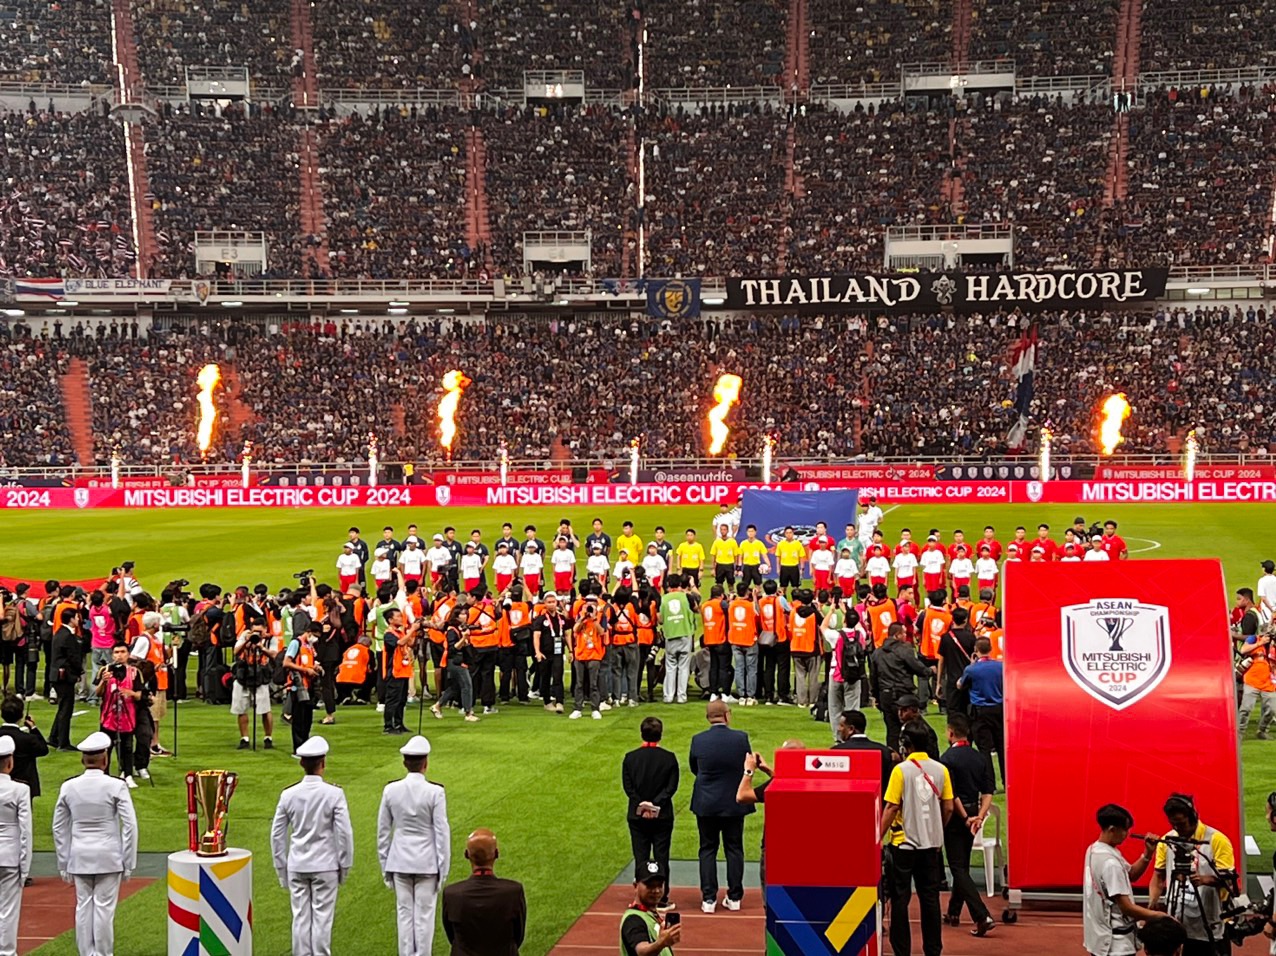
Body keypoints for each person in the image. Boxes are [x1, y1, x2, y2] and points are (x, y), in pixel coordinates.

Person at [52, 731, 139, 956]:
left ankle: (86, 953)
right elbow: (129, 825)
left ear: (83, 759)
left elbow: (59, 827)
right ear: (105, 759)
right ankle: (102, 953)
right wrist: (128, 860)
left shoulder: (68, 787)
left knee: (83, 907)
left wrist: (64, 861)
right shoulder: (116, 786)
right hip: (108, 856)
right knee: (104, 909)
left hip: (79, 856)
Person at [271, 736, 355, 956]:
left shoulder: (288, 794)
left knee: (300, 917)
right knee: (322, 918)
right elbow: (345, 833)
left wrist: (281, 867)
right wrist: (344, 865)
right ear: (323, 763)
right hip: (325, 864)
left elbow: (277, 835)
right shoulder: (334, 794)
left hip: (297, 864)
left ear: (301, 763)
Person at [880, 719, 953, 956]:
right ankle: (933, 950)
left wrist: (876, 836)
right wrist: (935, 827)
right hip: (931, 846)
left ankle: (902, 952)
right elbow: (949, 807)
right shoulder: (941, 770)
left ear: (905, 745)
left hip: (904, 844)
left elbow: (891, 808)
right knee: (930, 899)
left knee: (900, 899)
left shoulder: (900, 770)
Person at [377, 734, 450, 956]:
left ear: (404, 763)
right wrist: (443, 868)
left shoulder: (391, 790)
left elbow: (382, 832)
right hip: (427, 863)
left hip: (399, 862)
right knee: (425, 917)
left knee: (404, 915)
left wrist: (385, 866)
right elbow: (441, 832)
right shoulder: (435, 792)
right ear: (425, 763)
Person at [1148, 794, 1235, 956]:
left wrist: (1206, 880)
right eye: (1173, 823)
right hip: (1177, 924)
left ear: (1193, 816)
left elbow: (1229, 880)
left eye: (1180, 823)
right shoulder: (1168, 840)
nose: (1177, 828)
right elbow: (1158, 876)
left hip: (1209, 926)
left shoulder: (1217, 840)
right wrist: (1153, 901)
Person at [689, 700, 753, 913]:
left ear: (708, 717)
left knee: (707, 848)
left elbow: (694, 767)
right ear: (727, 715)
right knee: (734, 848)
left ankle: (708, 898)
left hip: (706, 802)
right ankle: (734, 896)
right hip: (734, 801)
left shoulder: (698, 740)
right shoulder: (740, 739)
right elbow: (747, 764)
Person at [938, 714, 996, 935]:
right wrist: (979, 816)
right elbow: (988, 792)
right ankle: (954, 911)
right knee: (962, 863)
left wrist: (964, 818)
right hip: (974, 812)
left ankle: (981, 915)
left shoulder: (947, 759)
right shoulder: (980, 758)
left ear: (951, 733)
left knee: (957, 868)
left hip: (957, 817)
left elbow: (951, 795)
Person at [1083, 804, 1162, 956]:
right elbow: (1126, 908)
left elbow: (1131, 874)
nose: (1127, 834)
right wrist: (1159, 917)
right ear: (1112, 829)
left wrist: (1147, 854)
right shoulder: (1110, 863)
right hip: (1116, 946)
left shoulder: (1094, 849)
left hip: (1099, 942)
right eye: (1125, 829)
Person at [622, 717, 680, 911]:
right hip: (662, 816)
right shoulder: (669, 758)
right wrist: (655, 805)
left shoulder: (630, 758)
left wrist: (642, 805)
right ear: (660, 734)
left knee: (641, 856)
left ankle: (641, 898)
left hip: (637, 816)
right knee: (662, 856)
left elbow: (628, 787)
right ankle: (662, 899)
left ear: (641, 733)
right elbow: (671, 787)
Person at [441, 828, 527, 955]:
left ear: (466, 854)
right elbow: (518, 935)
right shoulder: (513, 892)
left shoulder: (451, 894)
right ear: (496, 853)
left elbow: (452, 935)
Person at [870, 623, 933, 753]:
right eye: (904, 633)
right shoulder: (904, 650)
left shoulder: (877, 653)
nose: (906, 636)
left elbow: (873, 678)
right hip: (903, 696)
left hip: (885, 695)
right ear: (897, 635)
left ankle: (894, 760)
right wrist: (930, 671)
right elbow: (918, 668)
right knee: (913, 729)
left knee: (892, 731)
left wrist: (876, 697)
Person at [0, 735, 32, 956]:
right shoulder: (20, 790)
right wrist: (25, 865)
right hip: (10, 856)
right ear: (10, 762)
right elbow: (25, 831)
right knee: (9, 910)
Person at [95, 644, 142, 789]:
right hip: (109, 716)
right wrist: (104, 681)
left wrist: (131, 693)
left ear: (128, 654)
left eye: (122, 652)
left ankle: (127, 774)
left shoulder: (134, 672)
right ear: (112, 655)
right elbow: (98, 693)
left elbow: (139, 695)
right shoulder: (105, 670)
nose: (119, 655)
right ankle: (105, 775)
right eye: (116, 652)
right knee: (106, 748)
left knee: (127, 747)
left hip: (127, 716)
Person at [959, 637, 1005, 785]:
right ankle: (1006, 780)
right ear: (990, 649)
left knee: (984, 749)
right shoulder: (1000, 666)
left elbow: (960, 685)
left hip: (980, 712)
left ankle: (989, 783)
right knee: (1001, 746)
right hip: (999, 710)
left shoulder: (971, 669)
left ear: (976, 651)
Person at [232, 623, 278, 750]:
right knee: (241, 708)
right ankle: (244, 738)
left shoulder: (270, 639)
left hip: (261, 676)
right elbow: (235, 651)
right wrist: (246, 641)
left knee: (265, 709)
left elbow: (275, 655)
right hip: (243, 675)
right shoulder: (245, 636)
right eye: (255, 631)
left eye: (260, 631)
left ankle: (268, 737)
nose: (257, 634)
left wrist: (262, 648)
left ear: (265, 631)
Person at [621, 863, 681, 956]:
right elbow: (641, 951)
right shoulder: (633, 920)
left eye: (660, 885)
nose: (656, 890)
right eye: (650, 885)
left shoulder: (650, 915)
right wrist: (661, 943)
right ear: (635, 886)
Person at [0, 695, 48, 810]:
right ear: (21, 716)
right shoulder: (28, 739)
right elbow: (43, 749)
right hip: (23, 785)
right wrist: (33, 728)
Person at [432, 606, 479, 723]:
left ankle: (437, 706)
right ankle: (468, 712)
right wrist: (464, 639)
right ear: (456, 616)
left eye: (466, 614)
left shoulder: (458, 628)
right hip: (456, 661)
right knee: (467, 686)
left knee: (455, 687)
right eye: (462, 614)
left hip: (457, 661)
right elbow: (453, 648)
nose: (465, 616)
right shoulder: (452, 630)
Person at [832, 709, 895, 794]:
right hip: (878, 804)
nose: (839, 729)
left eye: (842, 726)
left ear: (851, 729)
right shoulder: (885, 751)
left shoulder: (836, 752)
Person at [283, 621, 323, 753]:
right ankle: (298, 749)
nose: (316, 638)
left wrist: (315, 668)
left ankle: (305, 747)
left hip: (308, 686)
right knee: (299, 720)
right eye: (315, 635)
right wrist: (305, 670)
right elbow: (286, 663)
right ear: (309, 632)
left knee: (307, 720)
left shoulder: (310, 646)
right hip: (298, 685)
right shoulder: (296, 643)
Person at [48, 606, 84, 751]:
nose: (78, 620)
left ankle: (54, 737)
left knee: (63, 707)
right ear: (71, 619)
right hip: (65, 677)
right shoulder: (67, 636)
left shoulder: (60, 633)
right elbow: (73, 657)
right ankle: (63, 742)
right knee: (66, 709)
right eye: (76, 617)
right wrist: (79, 672)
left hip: (58, 675)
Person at [660, 576, 697, 705]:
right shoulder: (686, 597)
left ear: (669, 585)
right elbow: (696, 609)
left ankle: (668, 696)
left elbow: (660, 619)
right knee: (683, 667)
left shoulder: (663, 599)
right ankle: (682, 696)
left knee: (670, 667)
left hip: (670, 635)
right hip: (685, 634)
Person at [570, 594, 608, 720]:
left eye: (592, 604)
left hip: (595, 654)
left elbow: (602, 632)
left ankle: (595, 709)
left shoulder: (601, 616)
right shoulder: (580, 615)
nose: (589, 607)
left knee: (593, 684)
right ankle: (577, 708)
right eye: (587, 604)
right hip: (580, 654)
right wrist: (582, 619)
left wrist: (594, 619)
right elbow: (575, 630)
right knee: (579, 684)